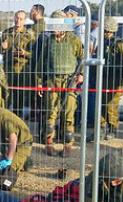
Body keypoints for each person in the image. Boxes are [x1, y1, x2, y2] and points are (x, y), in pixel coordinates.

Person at [32, 10, 83, 154]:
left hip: (70, 81)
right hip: (52, 81)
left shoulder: (74, 40)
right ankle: (49, 143)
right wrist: (39, 82)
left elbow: (82, 60)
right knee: (51, 113)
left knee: (69, 113)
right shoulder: (48, 41)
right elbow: (41, 63)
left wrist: (81, 75)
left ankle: (68, 145)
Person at [87, 17, 123, 141]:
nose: (106, 33)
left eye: (107, 31)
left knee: (111, 106)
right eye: (104, 30)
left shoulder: (119, 44)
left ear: (112, 31)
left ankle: (113, 129)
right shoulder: (102, 43)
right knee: (101, 105)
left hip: (115, 80)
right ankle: (101, 129)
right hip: (101, 79)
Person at [0, 108, 33, 189]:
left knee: (9, 173)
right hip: (7, 141)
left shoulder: (3, 118)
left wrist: (9, 160)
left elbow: (13, 139)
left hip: (23, 143)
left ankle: (25, 162)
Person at [0, 10, 35, 114]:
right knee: (6, 93)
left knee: (19, 95)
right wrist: (2, 47)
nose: (18, 21)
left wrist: (25, 53)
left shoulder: (29, 35)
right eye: (16, 18)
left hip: (21, 69)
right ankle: (4, 115)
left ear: (24, 20)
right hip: (8, 68)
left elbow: (35, 54)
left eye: (21, 19)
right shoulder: (7, 32)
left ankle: (17, 117)